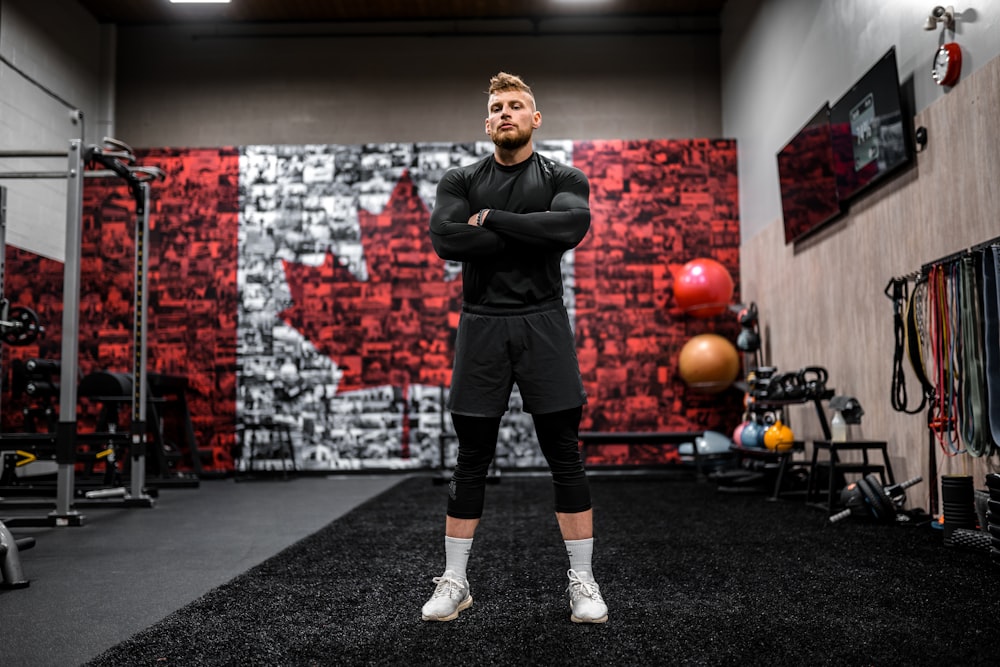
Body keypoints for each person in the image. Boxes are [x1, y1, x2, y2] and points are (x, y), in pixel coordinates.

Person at [424, 71, 608, 624]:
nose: (506, 113)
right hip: (481, 324)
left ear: (535, 119)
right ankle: (455, 582)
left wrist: (495, 221)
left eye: (516, 105)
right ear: (487, 123)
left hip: (543, 322)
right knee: (471, 456)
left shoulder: (562, 174)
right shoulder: (459, 180)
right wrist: (533, 228)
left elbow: (572, 225)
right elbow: (445, 240)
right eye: (497, 107)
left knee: (564, 452)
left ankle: (584, 582)